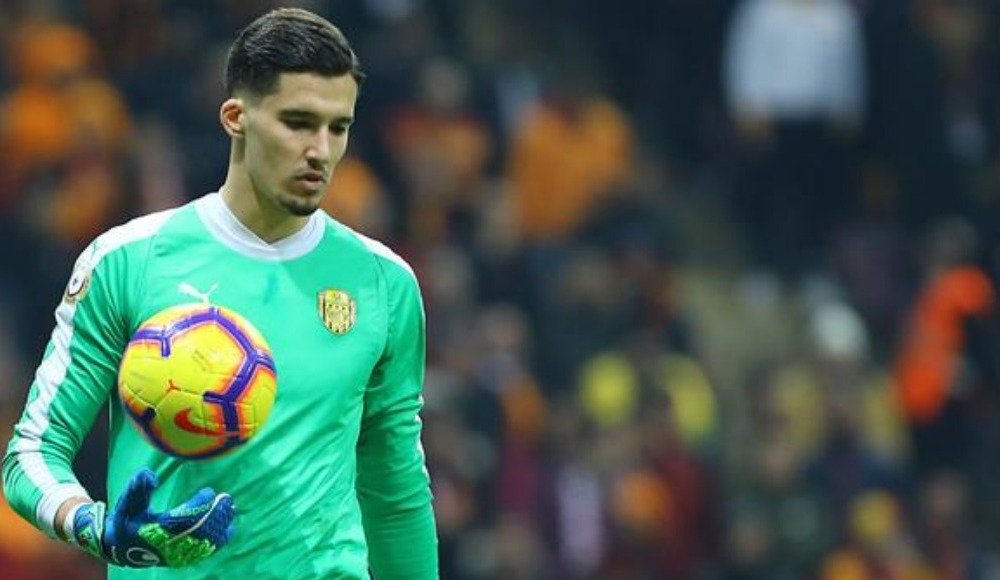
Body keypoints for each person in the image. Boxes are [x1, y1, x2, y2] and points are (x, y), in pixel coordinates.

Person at [2, 8, 438, 579]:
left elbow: (395, 490)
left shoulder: (383, 284)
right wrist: (94, 525)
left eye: (338, 128)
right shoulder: (128, 262)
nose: (321, 150)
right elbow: (31, 453)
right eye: (298, 122)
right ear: (236, 118)